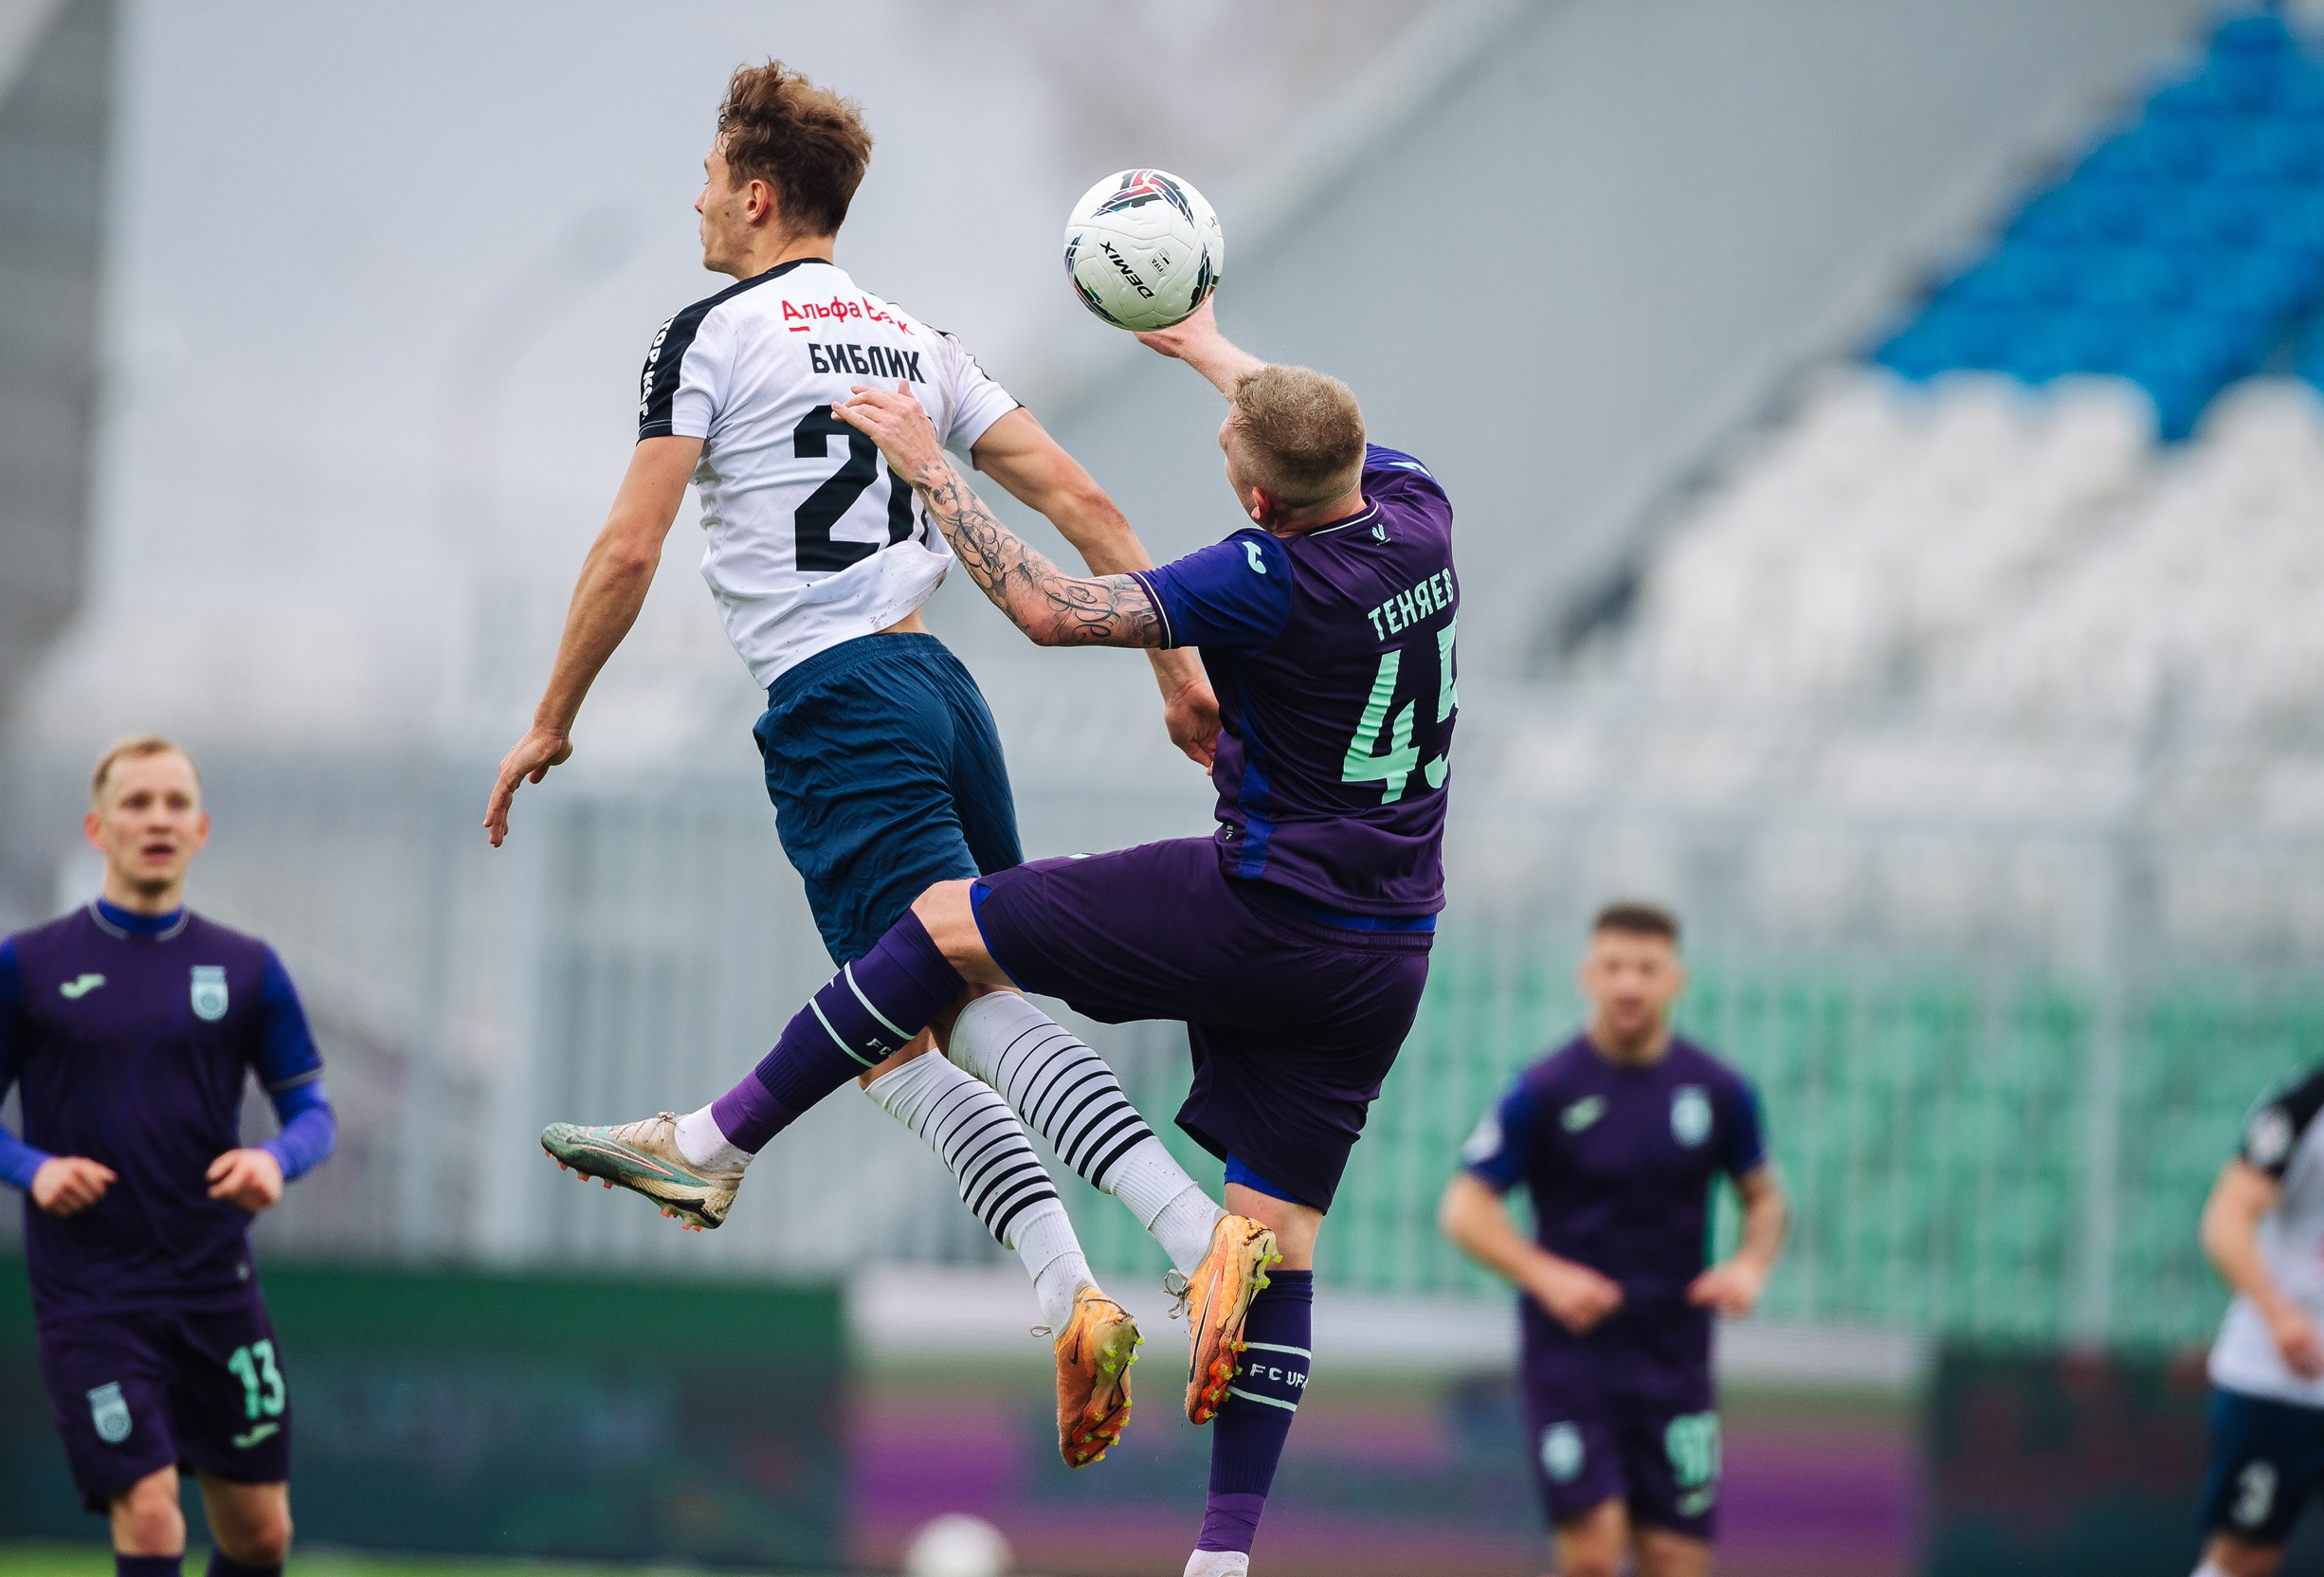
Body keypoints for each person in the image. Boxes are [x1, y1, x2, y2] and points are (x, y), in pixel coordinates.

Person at [543, 297, 1457, 1576]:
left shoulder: (1267, 577)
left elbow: (1047, 606)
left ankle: (714, 1142)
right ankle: (1223, 1557)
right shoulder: (1420, 519)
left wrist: (933, 472)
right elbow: (1316, 425)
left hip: (1262, 907)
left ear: (1258, 501)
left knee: (944, 934)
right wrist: (1210, 353)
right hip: (1389, 949)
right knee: (1281, 1251)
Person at [482, 60, 1237, 1469]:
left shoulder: (707, 336)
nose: (698, 198)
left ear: (758, 195)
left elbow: (632, 545)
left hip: (839, 707)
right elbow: (1087, 501)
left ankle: (1194, 1236)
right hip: (944, 692)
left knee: (932, 1015)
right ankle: (1070, 1293)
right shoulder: (916, 339)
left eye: (711, 175)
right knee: (915, 1027)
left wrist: (553, 710)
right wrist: (1175, 670)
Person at [0, 737, 336, 1577]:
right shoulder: (23, 967)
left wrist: (275, 1161)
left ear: (200, 830)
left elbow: (313, 1111)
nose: (156, 818)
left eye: (173, 804)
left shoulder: (248, 969)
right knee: (153, 1511)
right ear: (98, 827)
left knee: (262, 1536)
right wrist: (36, 1170)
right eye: (136, 802)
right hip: (90, 1295)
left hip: (213, 1284)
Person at [1439, 903, 1787, 1577]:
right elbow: (1466, 1206)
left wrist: (1748, 1264)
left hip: (1674, 1361)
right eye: (1614, 967)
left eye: (1646, 969)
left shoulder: (1717, 1090)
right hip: (1572, 1364)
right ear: (1586, 977)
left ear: (1675, 980)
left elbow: (1765, 1197)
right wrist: (1543, 1274)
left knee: (1674, 1561)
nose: (1629, 984)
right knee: (1594, 1556)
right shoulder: (1544, 1088)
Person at [2188, 1066, 2324, 1577]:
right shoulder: (2304, 1108)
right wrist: (2279, 1315)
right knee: (2247, 1555)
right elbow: (2226, 1218)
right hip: (2279, 1379)